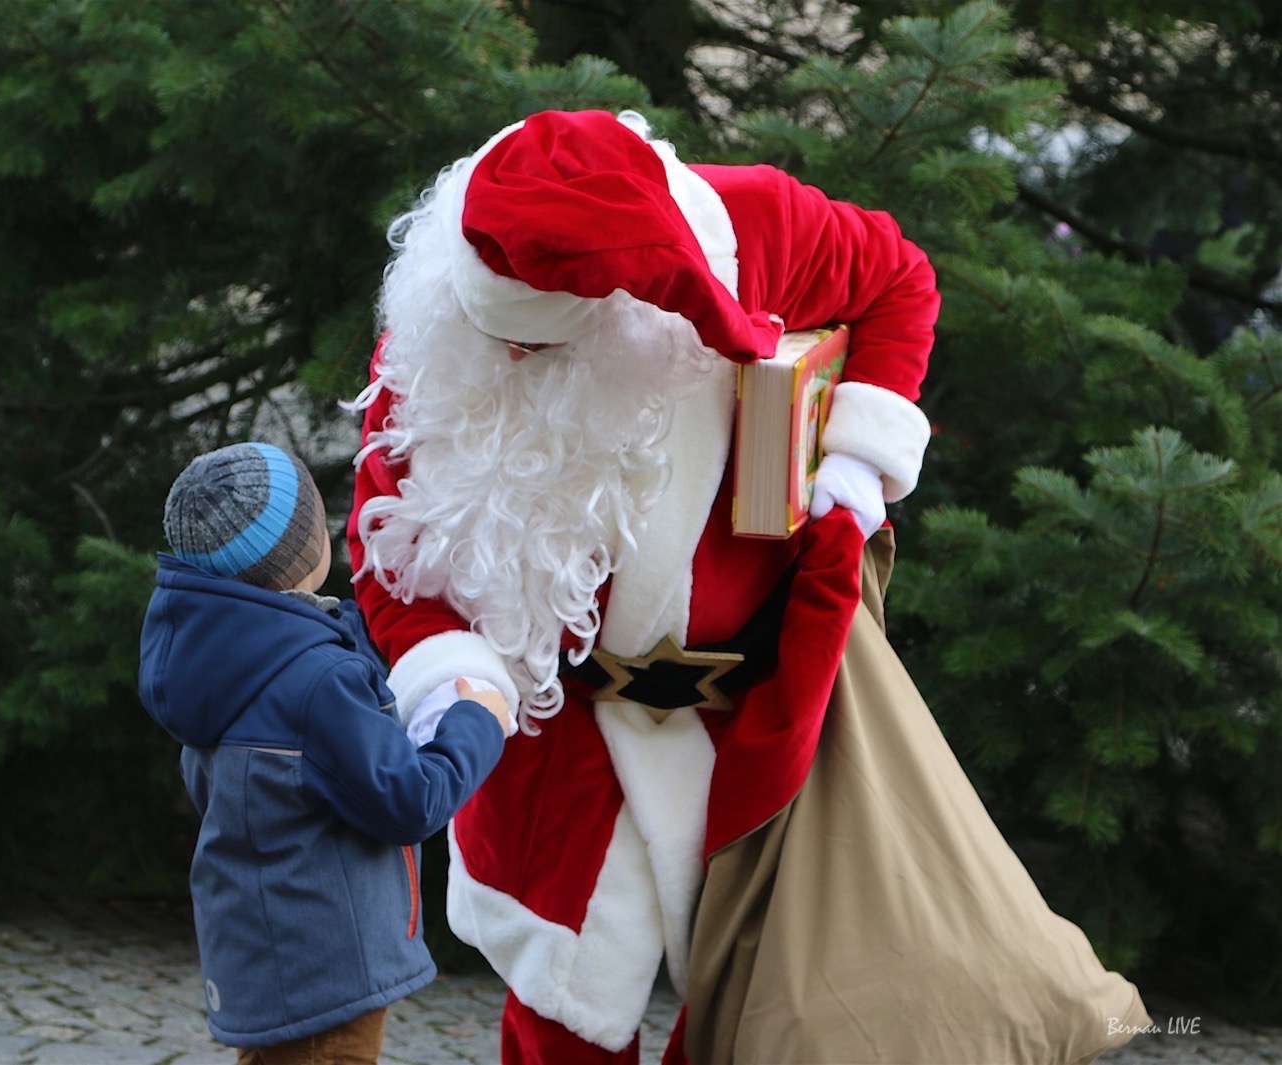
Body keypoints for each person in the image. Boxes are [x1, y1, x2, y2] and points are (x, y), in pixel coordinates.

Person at [345, 109, 1149, 1064]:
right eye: (501, 335)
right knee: (561, 1005)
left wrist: (853, 463)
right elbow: (390, 540)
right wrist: (453, 675)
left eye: (541, 345)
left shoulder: (749, 226)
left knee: (750, 996)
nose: (512, 360)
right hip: (556, 725)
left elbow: (899, 277)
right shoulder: (439, 325)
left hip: (750, 702)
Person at [138, 441, 512, 1064]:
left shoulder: (219, 659)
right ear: (305, 546)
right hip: (328, 969)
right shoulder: (315, 683)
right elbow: (409, 800)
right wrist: (478, 720)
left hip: (268, 957)